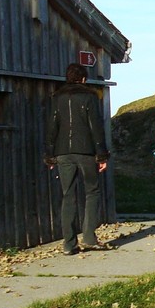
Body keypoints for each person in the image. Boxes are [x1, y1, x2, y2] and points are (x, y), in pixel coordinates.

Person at [44, 63, 109, 255]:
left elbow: (52, 126)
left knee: (68, 195)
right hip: (86, 151)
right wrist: (102, 154)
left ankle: (69, 243)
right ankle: (89, 237)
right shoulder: (89, 96)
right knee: (92, 191)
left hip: (63, 151)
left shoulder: (57, 98)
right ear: (83, 79)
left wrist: (49, 155)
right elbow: (96, 126)